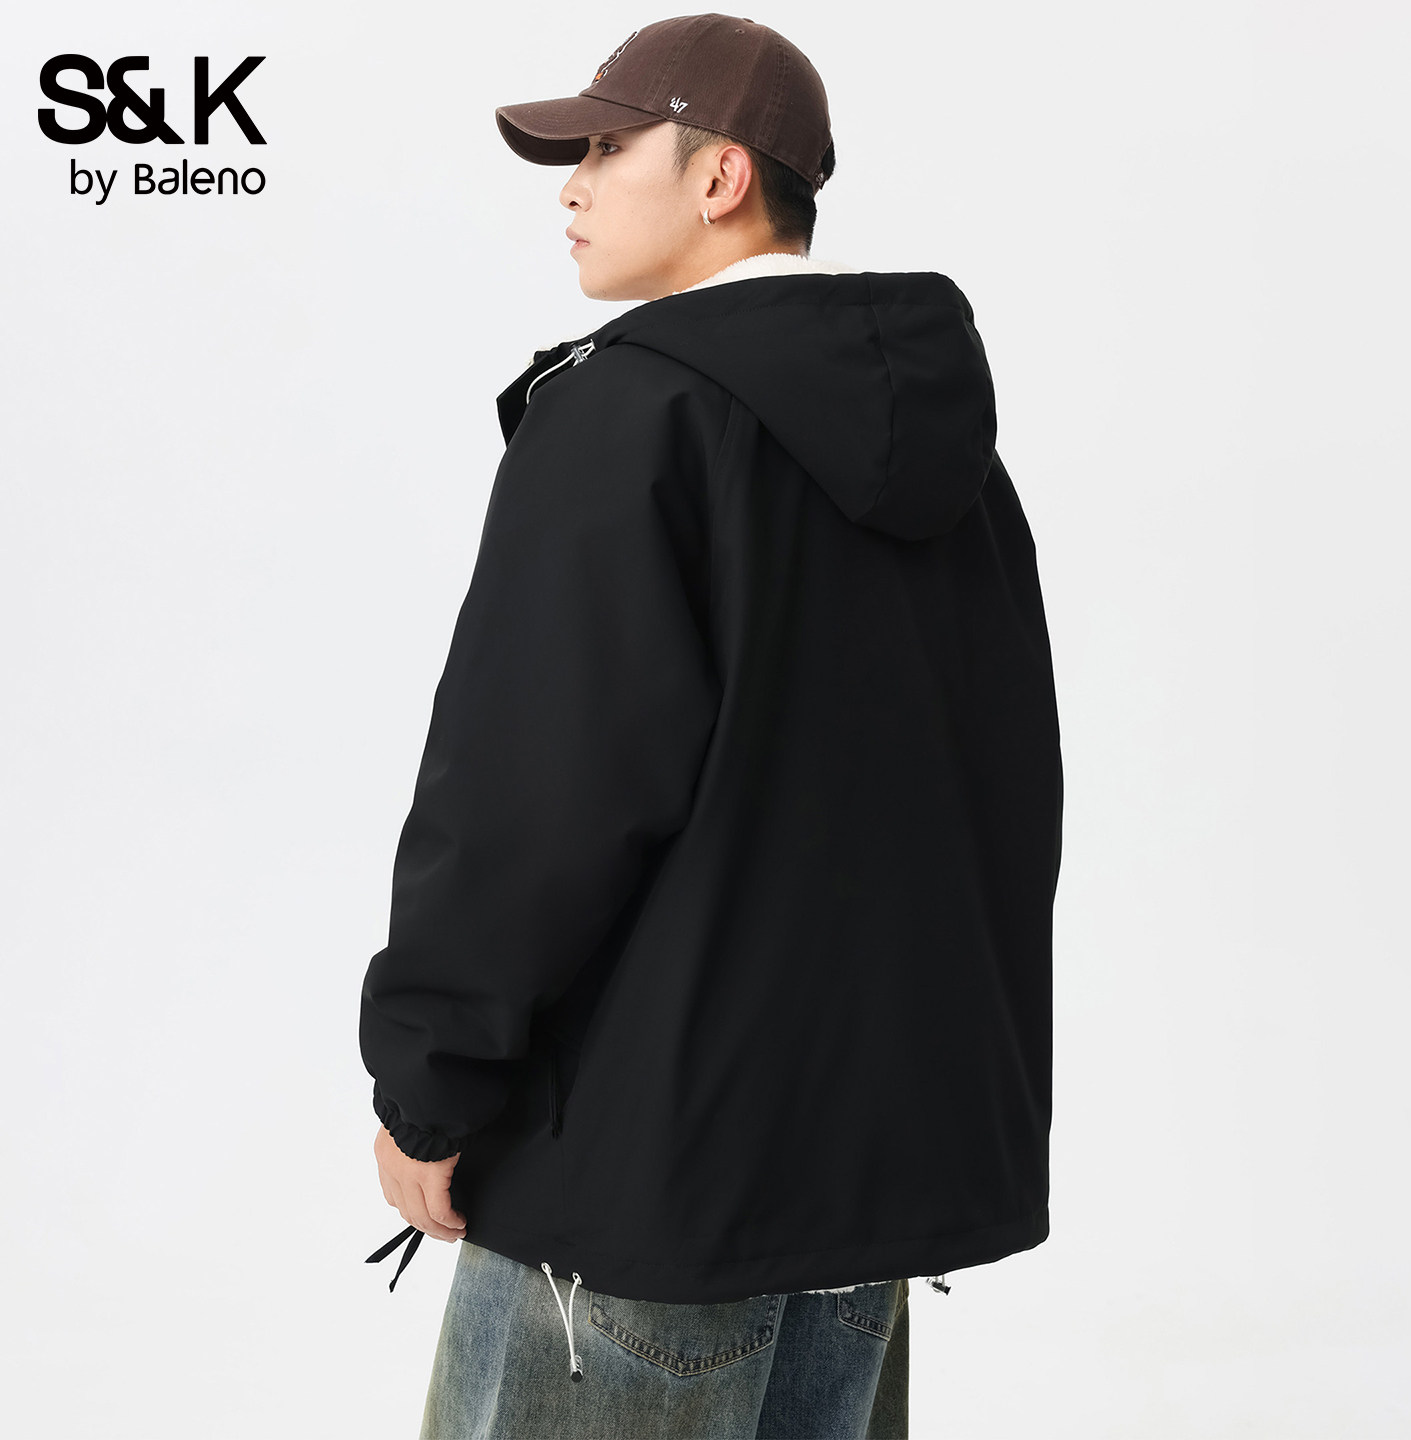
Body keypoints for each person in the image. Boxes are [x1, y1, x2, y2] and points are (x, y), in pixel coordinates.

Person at [358, 13, 1063, 1438]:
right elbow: (1004, 797)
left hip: (640, 1192)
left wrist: (431, 1088)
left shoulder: (629, 413)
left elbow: (529, 796)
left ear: (721, 176)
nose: (570, 188)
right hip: (862, 1200)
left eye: (606, 151)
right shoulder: (956, 463)